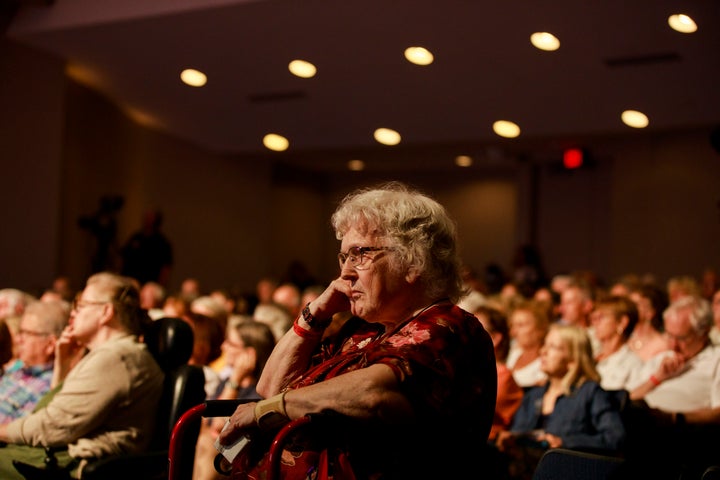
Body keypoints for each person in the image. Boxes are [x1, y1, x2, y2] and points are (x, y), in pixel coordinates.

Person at [216, 182, 497, 479]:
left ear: (414, 261)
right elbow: (270, 387)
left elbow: (372, 392)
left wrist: (267, 410)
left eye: (359, 254)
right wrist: (316, 314)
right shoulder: (362, 330)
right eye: (344, 257)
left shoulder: (448, 326)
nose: (345, 272)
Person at [0, 272, 164, 479]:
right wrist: (63, 364)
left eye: (81, 305)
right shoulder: (112, 355)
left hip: (67, 466)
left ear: (106, 312)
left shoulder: (117, 357)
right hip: (55, 456)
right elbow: (57, 412)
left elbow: (52, 427)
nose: (73, 313)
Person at [496, 324, 625, 480]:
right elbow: (518, 432)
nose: (542, 351)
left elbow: (614, 437)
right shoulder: (534, 395)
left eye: (553, 347)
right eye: (545, 344)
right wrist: (511, 440)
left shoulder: (590, 393)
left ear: (573, 358)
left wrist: (565, 442)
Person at [626, 295, 720, 478]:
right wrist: (657, 378)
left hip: (679, 435)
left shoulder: (716, 360)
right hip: (638, 422)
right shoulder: (663, 358)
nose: (673, 344)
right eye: (669, 335)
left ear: (704, 332)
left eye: (681, 338)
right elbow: (628, 398)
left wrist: (673, 418)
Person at [193, 320, 276, 480]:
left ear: (249, 354)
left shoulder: (259, 393)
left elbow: (218, 427)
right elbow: (205, 424)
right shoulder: (227, 381)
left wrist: (236, 380)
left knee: (206, 446)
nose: (224, 346)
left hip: (238, 462)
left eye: (231, 343)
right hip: (216, 455)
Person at [0, 300, 69, 424]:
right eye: (20, 332)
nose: (18, 339)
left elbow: (18, 430)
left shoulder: (49, 386)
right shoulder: (16, 369)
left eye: (26, 333)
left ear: (50, 344)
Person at [475, 305, 523, 443]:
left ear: (495, 339)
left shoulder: (503, 377)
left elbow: (476, 414)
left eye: (476, 330)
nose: (467, 334)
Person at [590, 295, 646, 391]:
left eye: (601, 317)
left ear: (622, 322)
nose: (595, 322)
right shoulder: (590, 354)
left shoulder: (631, 364)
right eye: (593, 317)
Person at [120, 209, 173, 287]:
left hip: (150, 284)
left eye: (150, 218)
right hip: (130, 281)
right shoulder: (136, 237)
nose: (147, 220)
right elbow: (123, 257)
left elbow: (165, 268)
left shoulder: (162, 242)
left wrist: (160, 286)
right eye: (146, 217)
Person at [507, 300, 550, 387]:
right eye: (513, 325)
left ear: (540, 329)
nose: (513, 332)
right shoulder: (513, 352)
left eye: (521, 325)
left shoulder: (545, 363)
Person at [627, 283, 669, 361]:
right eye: (629, 303)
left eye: (636, 304)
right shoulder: (625, 338)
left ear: (650, 312)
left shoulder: (660, 345)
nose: (629, 308)